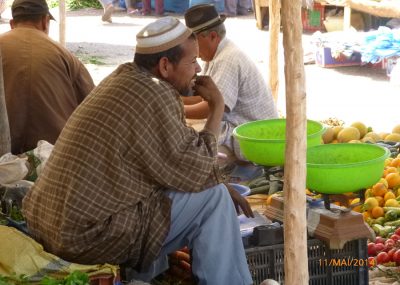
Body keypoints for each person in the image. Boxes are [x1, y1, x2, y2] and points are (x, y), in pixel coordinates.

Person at [22, 16, 254, 285]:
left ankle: (148, 277)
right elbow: (198, 167)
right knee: (214, 199)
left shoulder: (124, 78)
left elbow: (170, 166)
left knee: (165, 190)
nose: (198, 68)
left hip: (49, 222)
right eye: (192, 62)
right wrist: (217, 105)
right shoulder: (156, 95)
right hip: (83, 236)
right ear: (165, 65)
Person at [184, 4, 278, 162]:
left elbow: (212, 107)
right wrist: (174, 100)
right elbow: (204, 97)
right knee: (185, 132)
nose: (193, 48)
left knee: (193, 149)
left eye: (195, 41)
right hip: (240, 127)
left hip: (253, 136)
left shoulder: (228, 59)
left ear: (213, 36)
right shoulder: (215, 53)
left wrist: (176, 109)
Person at [0, 0, 94, 154]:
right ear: (45, 21)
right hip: (53, 154)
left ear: (12, 23)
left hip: (5, 154)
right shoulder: (64, 55)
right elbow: (92, 104)